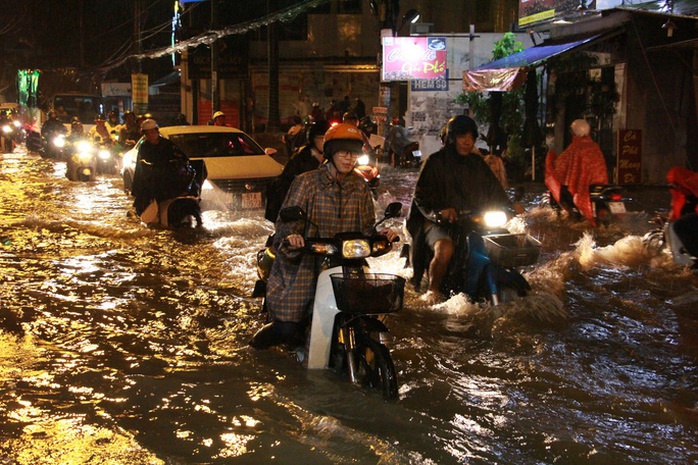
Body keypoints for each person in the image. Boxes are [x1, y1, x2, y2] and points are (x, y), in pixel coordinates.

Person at [250, 123, 398, 349]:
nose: (349, 159)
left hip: (346, 263)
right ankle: (255, 349)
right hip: (306, 262)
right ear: (330, 152)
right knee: (287, 328)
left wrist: (381, 234)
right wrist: (293, 236)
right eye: (343, 153)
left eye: (354, 154)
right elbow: (286, 224)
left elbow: (367, 226)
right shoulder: (306, 182)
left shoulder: (359, 186)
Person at [406, 115, 518, 304]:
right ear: (452, 138)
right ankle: (433, 291)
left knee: (503, 242)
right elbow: (421, 196)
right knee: (445, 249)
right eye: (462, 137)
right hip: (438, 221)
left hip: (473, 220)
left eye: (471, 137)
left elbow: (495, 191)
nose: (467, 142)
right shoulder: (435, 161)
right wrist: (439, 212)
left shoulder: (477, 164)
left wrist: (510, 205)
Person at [545, 119, 609, 225]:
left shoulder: (575, 147)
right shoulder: (594, 146)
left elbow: (560, 167)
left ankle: (572, 213)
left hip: (583, 186)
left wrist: (551, 162)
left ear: (574, 132)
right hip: (599, 183)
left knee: (564, 192)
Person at [265, 119, 330, 222]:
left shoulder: (333, 159)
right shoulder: (300, 159)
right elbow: (287, 185)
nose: (324, 142)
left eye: (327, 139)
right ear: (312, 139)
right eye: (321, 138)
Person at [130, 118, 193, 216]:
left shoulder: (168, 145)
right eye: (147, 133)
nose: (150, 135)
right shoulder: (144, 147)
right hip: (151, 181)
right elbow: (141, 168)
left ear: (156, 131)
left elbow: (181, 159)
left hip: (168, 181)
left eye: (152, 132)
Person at [666, 166, 698, 259]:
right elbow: (676, 210)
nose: (677, 189)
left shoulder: (695, 184)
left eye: (677, 185)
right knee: (678, 225)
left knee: (680, 225)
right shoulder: (681, 195)